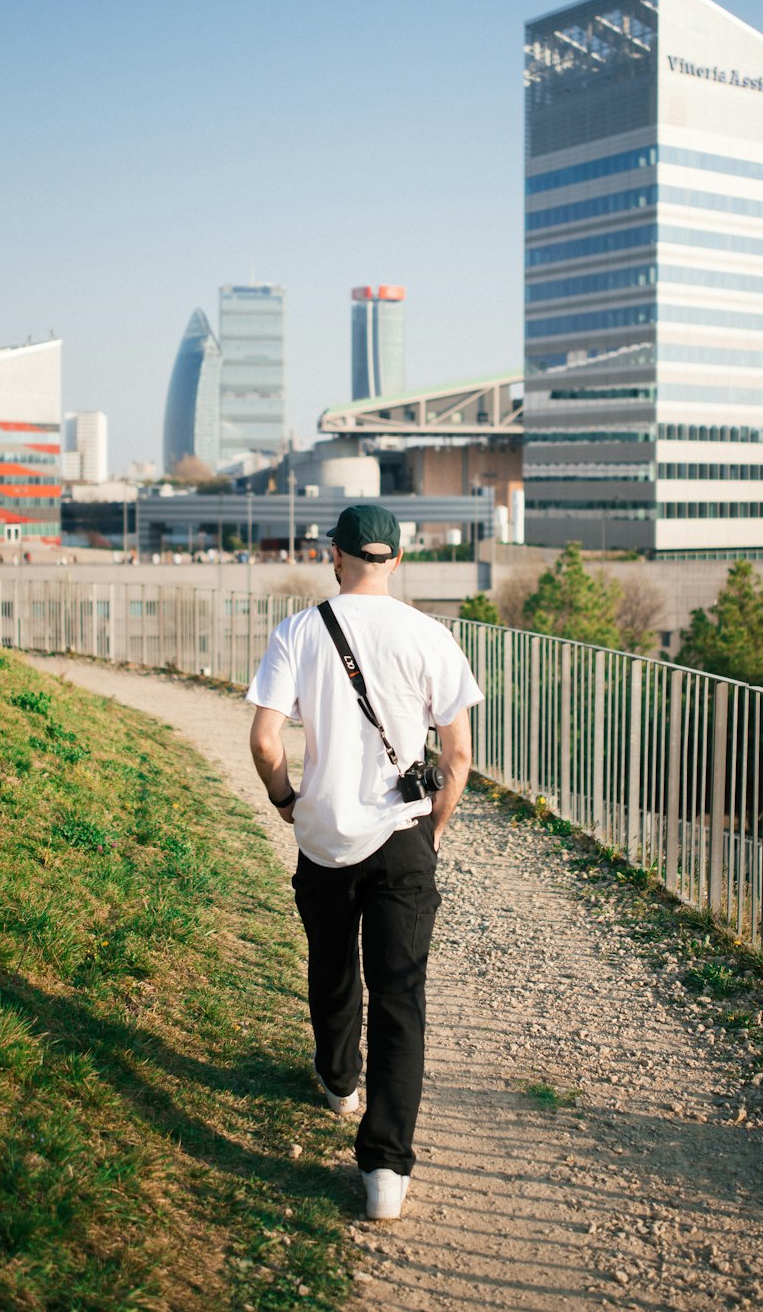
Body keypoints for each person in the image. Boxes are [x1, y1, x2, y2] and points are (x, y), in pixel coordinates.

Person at [247, 504, 482, 1220]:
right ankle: (385, 1171)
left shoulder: (299, 631)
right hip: (404, 834)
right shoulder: (429, 635)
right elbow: (460, 756)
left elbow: (263, 741)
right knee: (401, 996)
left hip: (324, 835)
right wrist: (434, 828)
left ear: (335, 555)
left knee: (332, 962)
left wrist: (287, 801)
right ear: (398, 560)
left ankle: (338, 1080)